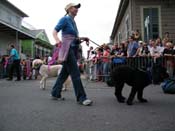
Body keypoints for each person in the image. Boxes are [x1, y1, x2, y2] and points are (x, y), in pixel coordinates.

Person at [51, 3, 92, 106]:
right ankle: (81, 98)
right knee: (75, 73)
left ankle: (55, 93)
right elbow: (54, 31)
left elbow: (74, 39)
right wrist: (57, 40)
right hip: (66, 49)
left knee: (64, 73)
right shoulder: (64, 19)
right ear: (69, 9)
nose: (77, 9)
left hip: (72, 49)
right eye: (75, 7)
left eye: (77, 8)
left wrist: (83, 38)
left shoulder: (73, 21)